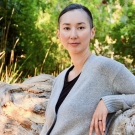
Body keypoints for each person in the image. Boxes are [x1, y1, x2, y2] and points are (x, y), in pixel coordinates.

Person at [40, 3, 135, 135]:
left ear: (92, 32)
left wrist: (109, 102)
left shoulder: (105, 67)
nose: (73, 35)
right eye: (67, 28)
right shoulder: (59, 79)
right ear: (59, 34)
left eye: (80, 27)